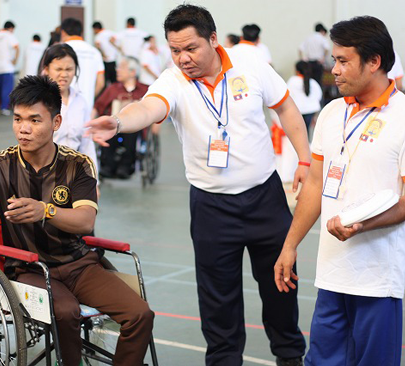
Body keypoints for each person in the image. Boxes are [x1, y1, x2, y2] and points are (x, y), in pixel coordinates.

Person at [86, 5, 309, 365]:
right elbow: (147, 108)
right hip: (212, 206)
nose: (183, 58)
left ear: (213, 39)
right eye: (175, 50)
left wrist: (304, 158)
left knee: (281, 286)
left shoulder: (249, 65)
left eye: (191, 48)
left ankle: (290, 355)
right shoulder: (172, 80)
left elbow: (285, 108)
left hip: (265, 199)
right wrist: (118, 121)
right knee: (218, 299)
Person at [0, 75, 154, 366]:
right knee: (66, 312)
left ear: (56, 123)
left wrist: (45, 211)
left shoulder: (77, 165)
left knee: (140, 315)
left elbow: (85, 222)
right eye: (18, 119)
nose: (23, 129)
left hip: (79, 266)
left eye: (35, 120)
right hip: (29, 270)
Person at [274, 16, 405, 366]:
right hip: (332, 276)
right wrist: (290, 246)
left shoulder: (403, 118)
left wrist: (363, 225)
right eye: (334, 59)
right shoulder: (332, 113)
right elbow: (315, 183)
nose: (334, 69)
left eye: (343, 60)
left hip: (378, 282)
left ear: (374, 61)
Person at [40, 44, 98, 171]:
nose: (64, 74)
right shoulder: (38, 102)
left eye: (69, 69)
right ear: (46, 69)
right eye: (58, 69)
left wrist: (94, 181)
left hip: (73, 174)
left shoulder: (80, 102)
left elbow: (86, 144)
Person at [93, 56, 148, 179]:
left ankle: (126, 166)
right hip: (113, 124)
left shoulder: (145, 90)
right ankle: (108, 166)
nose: (117, 70)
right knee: (109, 127)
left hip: (135, 127)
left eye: (122, 67)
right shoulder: (112, 89)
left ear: (132, 72)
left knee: (132, 130)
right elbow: (98, 106)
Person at [61, 18, 105, 116]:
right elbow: (101, 83)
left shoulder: (60, 50)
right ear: (81, 32)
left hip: (62, 106)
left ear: (63, 33)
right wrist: (89, 96)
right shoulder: (94, 52)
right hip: (87, 106)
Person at [287, 61, 322, 137]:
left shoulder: (292, 81)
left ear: (297, 70)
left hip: (298, 111)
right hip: (311, 111)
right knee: (307, 131)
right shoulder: (313, 82)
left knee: (299, 134)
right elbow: (319, 95)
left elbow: (287, 96)